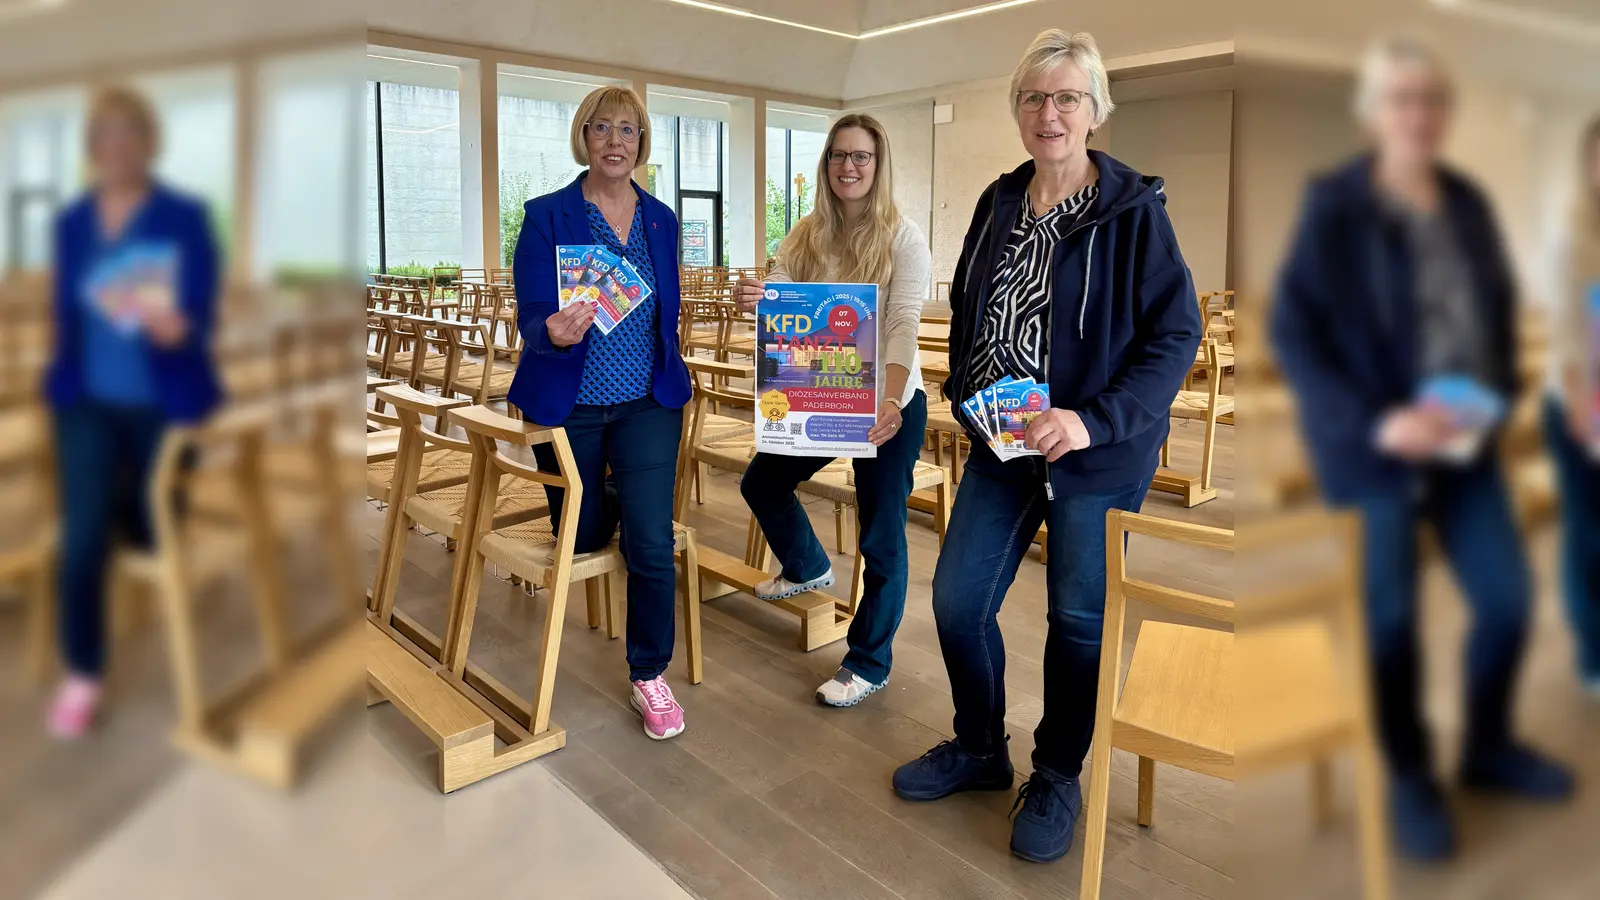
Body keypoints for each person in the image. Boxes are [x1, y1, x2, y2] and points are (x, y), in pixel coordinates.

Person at [890, 29, 1203, 864]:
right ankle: (981, 747)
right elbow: (971, 307)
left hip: (1096, 455)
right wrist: (965, 387)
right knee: (958, 603)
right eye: (1034, 97)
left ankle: (1058, 770)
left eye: (1067, 97)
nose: (1050, 112)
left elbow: (1176, 338)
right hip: (1003, 445)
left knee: (1078, 619)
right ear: (1018, 112)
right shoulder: (999, 200)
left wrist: (1090, 421)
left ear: (1095, 111)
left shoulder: (1134, 214)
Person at [1271, 37, 1575, 863]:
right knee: (1390, 617)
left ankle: (1485, 745)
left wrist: (1489, 398)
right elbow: (1295, 332)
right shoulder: (1335, 205)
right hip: (1373, 447)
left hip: (1463, 440)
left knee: (1509, 599)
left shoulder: (1466, 203)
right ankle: (1406, 773)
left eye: (1432, 101)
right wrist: (1380, 422)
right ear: (1374, 113)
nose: (1418, 115)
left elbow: (1496, 315)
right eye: (1401, 99)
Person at [507, 86, 693, 741]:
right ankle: (604, 499)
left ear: (642, 142)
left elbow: (668, 309)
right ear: (584, 138)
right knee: (581, 538)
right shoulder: (545, 217)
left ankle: (649, 673)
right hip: (571, 403)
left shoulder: (661, 220)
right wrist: (549, 331)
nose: (616, 141)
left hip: (648, 401)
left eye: (629, 130)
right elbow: (528, 313)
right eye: (602, 129)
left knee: (649, 543)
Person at [732, 114, 932, 708]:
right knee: (762, 481)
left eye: (862, 157)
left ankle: (868, 661)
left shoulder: (904, 237)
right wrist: (757, 300)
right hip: (819, 394)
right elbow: (779, 301)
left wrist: (891, 400)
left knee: (882, 535)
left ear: (879, 164)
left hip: (889, 402)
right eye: (840, 156)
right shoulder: (804, 234)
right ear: (826, 165)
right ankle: (808, 563)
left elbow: (901, 325)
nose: (850, 166)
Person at [42, 87, 222, 738]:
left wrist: (181, 324)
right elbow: (65, 313)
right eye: (105, 133)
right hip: (85, 401)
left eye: (130, 132)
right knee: (83, 536)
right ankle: (83, 672)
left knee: (153, 531)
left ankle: (143, 556)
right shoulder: (71, 224)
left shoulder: (183, 216)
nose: (117, 144)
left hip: (162, 403)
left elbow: (201, 309)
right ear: (92, 146)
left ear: (148, 141)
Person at [1546, 116, 1600, 695]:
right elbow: (1566, 336)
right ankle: (1591, 654)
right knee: (1587, 536)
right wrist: (1585, 415)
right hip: (1578, 408)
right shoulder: (1573, 239)